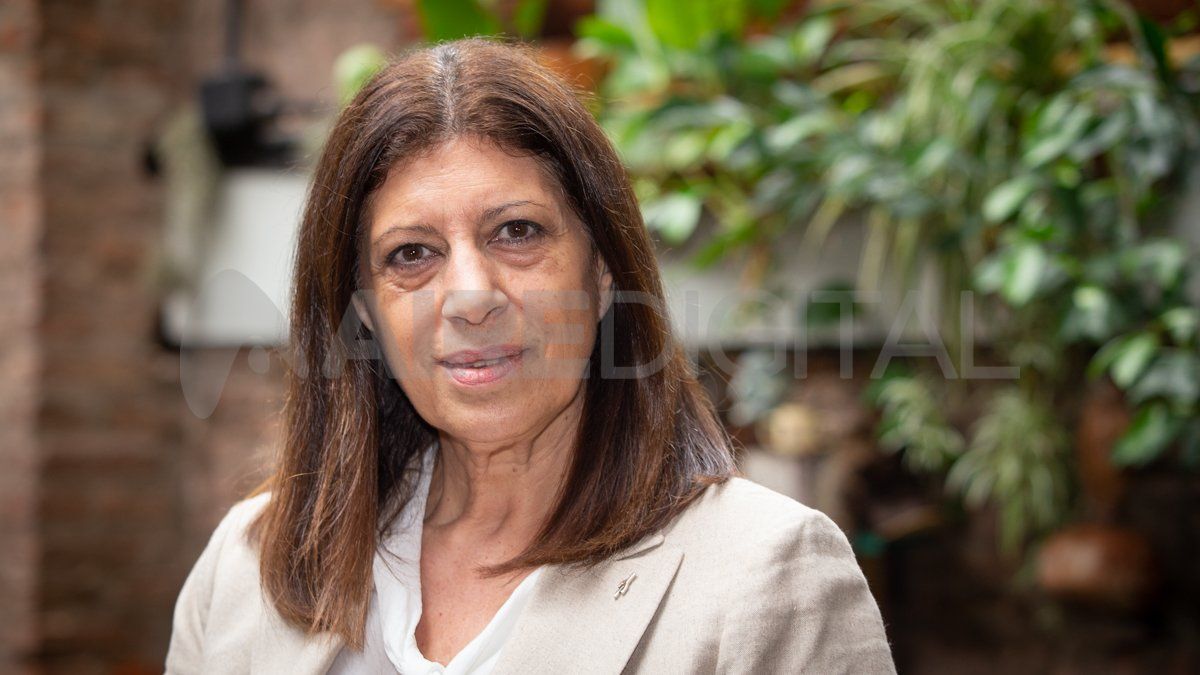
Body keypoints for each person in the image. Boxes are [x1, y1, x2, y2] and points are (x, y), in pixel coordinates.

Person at [165, 38, 897, 674]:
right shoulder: (244, 570)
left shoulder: (769, 572)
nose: (470, 297)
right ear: (364, 313)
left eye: (516, 232)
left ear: (603, 271)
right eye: (412, 253)